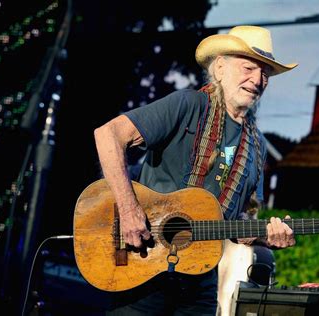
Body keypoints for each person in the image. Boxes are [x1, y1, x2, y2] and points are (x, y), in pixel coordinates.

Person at [93, 25, 298, 315]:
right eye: (249, 68)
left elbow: (238, 221)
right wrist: (128, 210)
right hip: (143, 266)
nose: (258, 80)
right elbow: (108, 135)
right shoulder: (188, 105)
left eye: (265, 73)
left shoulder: (257, 145)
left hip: (199, 283)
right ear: (220, 68)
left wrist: (268, 235)